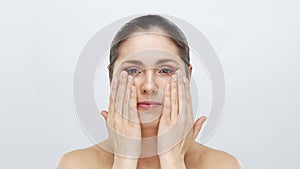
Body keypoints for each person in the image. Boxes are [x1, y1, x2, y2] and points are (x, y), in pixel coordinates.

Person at [56, 15, 242, 169]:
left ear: (188, 76)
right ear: (112, 78)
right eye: (132, 71)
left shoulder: (222, 165)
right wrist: (125, 159)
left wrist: (172, 159)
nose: (149, 86)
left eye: (165, 71)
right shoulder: (76, 164)